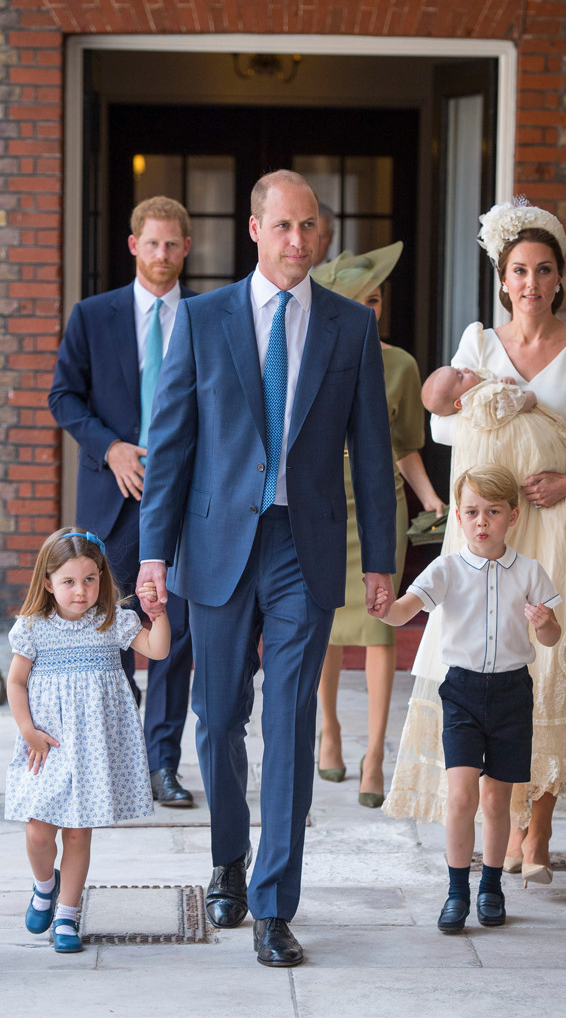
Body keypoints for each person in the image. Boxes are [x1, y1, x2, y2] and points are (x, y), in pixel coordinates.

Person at [135, 169, 396, 967]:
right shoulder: (206, 319)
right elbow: (171, 441)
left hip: (302, 550)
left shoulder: (350, 328)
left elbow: (374, 455)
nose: (298, 242)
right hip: (214, 548)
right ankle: (227, 861)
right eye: (283, 227)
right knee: (218, 720)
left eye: (309, 227)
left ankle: (276, 905)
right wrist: (152, 552)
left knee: (287, 727)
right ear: (254, 230)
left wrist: (382, 560)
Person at [383, 197, 566, 887]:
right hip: (493, 526)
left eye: (543, 270)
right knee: (490, 666)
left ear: (558, 279)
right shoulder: (479, 344)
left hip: (562, 523)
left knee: (552, 669)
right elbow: (439, 424)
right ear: (503, 278)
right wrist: (484, 404)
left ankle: (539, 826)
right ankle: (505, 819)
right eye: (518, 270)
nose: (530, 282)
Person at [48, 196, 196, 809]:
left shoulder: (206, 317)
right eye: (152, 243)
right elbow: (63, 397)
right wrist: (110, 448)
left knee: (172, 628)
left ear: (187, 248)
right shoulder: (93, 315)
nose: (162, 255)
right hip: (113, 499)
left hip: (185, 499)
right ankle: (115, 749)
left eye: (173, 244)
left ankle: (162, 762)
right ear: (133, 245)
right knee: (107, 625)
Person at [377, 465, 561, 932]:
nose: (482, 522)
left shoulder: (530, 571)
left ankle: (491, 886)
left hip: (512, 693)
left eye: (493, 512)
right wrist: (385, 607)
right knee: (460, 795)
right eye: (473, 512)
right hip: (460, 691)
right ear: (458, 517)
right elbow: (404, 612)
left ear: (512, 517)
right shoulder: (447, 569)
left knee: (497, 800)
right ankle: (457, 890)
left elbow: (553, 634)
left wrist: (543, 624)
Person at [311, 245, 445, 806]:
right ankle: (331, 733)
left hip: (377, 509)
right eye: (358, 300)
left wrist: (433, 501)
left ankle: (374, 755)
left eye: (377, 299)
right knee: (325, 628)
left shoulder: (403, 365)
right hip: (322, 506)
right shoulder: (310, 355)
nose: (371, 309)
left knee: (381, 626)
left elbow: (408, 447)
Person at [4, 527, 170, 954]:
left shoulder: (112, 619)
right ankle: (45, 886)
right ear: (48, 583)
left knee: (78, 834)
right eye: (69, 582)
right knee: (40, 832)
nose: (81, 591)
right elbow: (17, 682)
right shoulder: (35, 628)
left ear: (102, 578)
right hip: (49, 744)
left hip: (94, 747)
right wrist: (27, 730)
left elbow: (156, 650)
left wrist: (159, 613)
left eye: (90, 580)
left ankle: (67, 913)